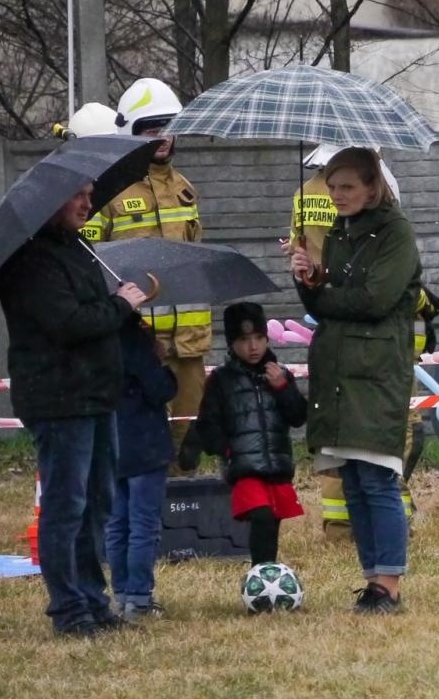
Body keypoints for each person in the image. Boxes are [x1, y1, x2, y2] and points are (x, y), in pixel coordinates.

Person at [0, 182, 148, 637]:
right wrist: (120, 305)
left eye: (88, 194)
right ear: (50, 201)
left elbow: (95, 315)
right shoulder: (31, 261)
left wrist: (122, 309)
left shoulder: (78, 249)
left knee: (97, 504)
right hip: (59, 400)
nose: (88, 204)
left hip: (97, 395)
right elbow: (71, 323)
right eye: (77, 196)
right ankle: (69, 609)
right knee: (67, 508)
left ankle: (93, 601)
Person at [289, 147, 423, 611]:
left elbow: (373, 300)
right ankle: (372, 581)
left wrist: (323, 296)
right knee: (354, 481)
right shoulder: (341, 232)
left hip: (376, 370)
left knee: (378, 476)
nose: (336, 194)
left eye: (346, 186)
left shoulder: (396, 233)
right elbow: (329, 298)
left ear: (372, 186)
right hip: (339, 368)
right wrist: (308, 279)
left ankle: (389, 585)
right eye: (331, 185)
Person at [93, 77, 211, 439]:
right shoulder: (106, 190)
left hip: (189, 341)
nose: (163, 137)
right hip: (138, 341)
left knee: (187, 441)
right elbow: (92, 265)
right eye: (151, 130)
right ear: (131, 131)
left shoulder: (184, 189)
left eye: (169, 128)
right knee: (142, 444)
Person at [178, 303, 308, 565]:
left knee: (271, 522)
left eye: (259, 338)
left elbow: (298, 416)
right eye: (244, 340)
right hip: (244, 468)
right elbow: (208, 423)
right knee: (260, 515)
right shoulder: (221, 379)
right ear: (231, 343)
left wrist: (283, 388)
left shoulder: (279, 375)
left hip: (277, 465)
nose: (253, 347)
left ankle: (267, 572)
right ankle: (260, 572)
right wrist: (227, 449)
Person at [105, 316, 178, 620]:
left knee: (117, 524)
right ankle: (139, 598)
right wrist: (159, 360)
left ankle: (121, 595)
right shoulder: (134, 337)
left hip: (112, 442)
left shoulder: (100, 335)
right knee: (143, 526)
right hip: (145, 445)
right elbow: (160, 389)